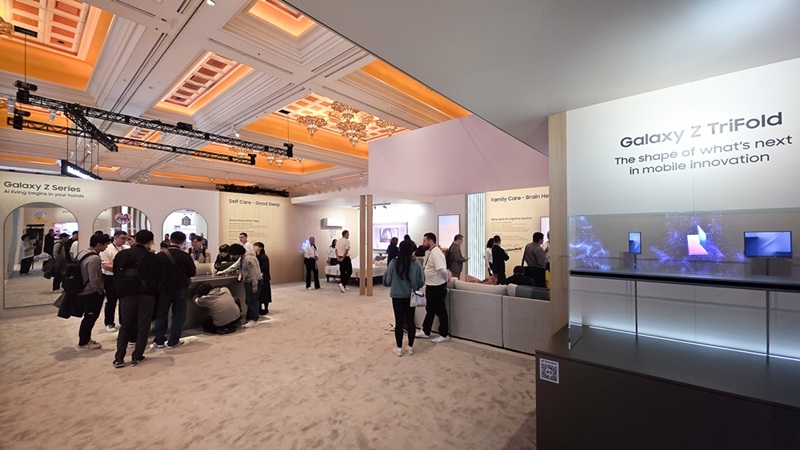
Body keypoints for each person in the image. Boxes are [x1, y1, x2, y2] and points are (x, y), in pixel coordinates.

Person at [112, 230, 162, 368]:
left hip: (126, 294)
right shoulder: (152, 257)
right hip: (146, 294)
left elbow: (116, 274)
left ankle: (119, 357)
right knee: (143, 324)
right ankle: (137, 356)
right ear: (150, 242)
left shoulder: (122, 255)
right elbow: (158, 278)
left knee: (125, 324)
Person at [153, 231, 196, 349]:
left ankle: (159, 340)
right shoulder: (185, 256)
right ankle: (173, 340)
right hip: (180, 288)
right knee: (178, 314)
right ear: (183, 242)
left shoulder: (160, 255)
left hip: (163, 289)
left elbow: (154, 272)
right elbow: (192, 272)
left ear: (170, 240)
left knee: (161, 313)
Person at [383, 240, 424, 356]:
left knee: (399, 321)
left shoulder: (394, 263)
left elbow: (387, 280)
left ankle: (399, 349)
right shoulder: (416, 264)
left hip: (397, 296)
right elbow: (421, 281)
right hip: (411, 296)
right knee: (411, 321)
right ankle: (410, 347)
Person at [73, 233, 111, 351]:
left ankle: (86, 339)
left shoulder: (82, 253)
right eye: (105, 245)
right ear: (99, 245)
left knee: (88, 317)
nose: (106, 247)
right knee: (90, 317)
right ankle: (83, 342)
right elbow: (94, 278)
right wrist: (100, 290)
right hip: (90, 292)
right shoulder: (95, 258)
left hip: (81, 289)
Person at [416, 232, 451, 343]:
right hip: (431, 285)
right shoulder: (432, 252)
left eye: (424, 241)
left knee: (440, 310)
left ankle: (444, 334)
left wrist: (445, 280)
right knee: (430, 309)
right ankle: (426, 330)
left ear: (430, 241)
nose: (423, 243)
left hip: (437, 287)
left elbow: (442, 270)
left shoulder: (436, 253)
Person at [100, 229, 129, 332]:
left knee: (124, 301)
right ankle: (109, 322)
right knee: (111, 301)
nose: (124, 240)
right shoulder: (107, 249)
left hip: (124, 278)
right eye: (122, 238)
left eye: (126, 238)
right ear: (115, 238)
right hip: (110, 277)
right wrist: (120, 269)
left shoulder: (127, 248)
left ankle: (123, 321)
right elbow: (105, 265)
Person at [228, 243, 262, 327]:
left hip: (253, 281)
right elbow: (236, 265)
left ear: (237, 253)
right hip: (248, 281)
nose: (233, 256)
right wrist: (224, 271)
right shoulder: (243, 257)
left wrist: (255, 284)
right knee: (249, 300)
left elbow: (254, 272)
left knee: (252, 300)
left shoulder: (249, 258)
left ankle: (254, 319)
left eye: (233, 255)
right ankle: (249, 317)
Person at [253, 241, 272, 314]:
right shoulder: (255, 257)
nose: (254, 247)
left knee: (265, 294)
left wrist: (256, 268)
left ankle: (266, 308)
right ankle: (259, 308)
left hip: (265, 278)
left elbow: (265, 267)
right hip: (258, 277)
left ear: (260, 248)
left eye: (256, 246)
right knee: (259, 294)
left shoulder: (264, 257)